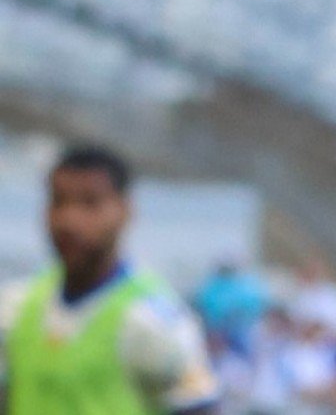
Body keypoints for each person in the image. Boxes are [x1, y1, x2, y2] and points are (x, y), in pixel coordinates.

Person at [0, 145, 218, 415]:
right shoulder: (15, 307)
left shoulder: (152, 321)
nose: (69, 219)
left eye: (89, 203)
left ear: (124, 211)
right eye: (59, 201)